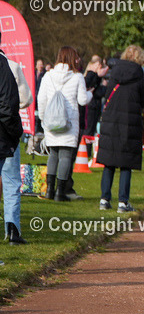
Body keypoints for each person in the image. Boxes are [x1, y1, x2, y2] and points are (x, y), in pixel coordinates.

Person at [97, 45, 144, 212]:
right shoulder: (140, 78)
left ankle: (104, 199)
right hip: (130, 121)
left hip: (111, 119)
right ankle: (123, 201)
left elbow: (107, 95)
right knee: (126, 163)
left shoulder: (114, 74)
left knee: (109, 161)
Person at [36, 47, 92, 201]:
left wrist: (43, 119)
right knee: (66, 155)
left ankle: (49, 190)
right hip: (69, 122)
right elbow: (82, 100)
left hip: (51, 121)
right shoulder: (77, 76)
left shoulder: (48, 75)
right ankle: (60, 192)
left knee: (53, 154)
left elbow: (41, 99)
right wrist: (90, 93)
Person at [1, 40, 27, 244]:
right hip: (5, 134)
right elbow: (24, 99)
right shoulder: (11, 66)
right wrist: (16, 131)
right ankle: (12, 229)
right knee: (11, 182)